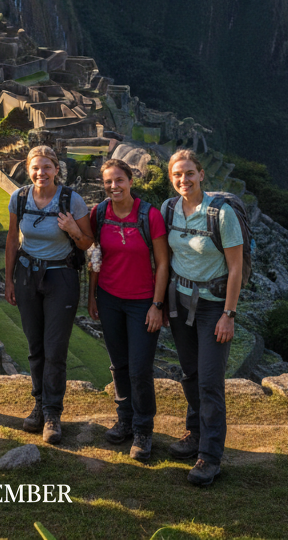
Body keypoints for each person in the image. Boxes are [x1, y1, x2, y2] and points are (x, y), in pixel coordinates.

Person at [161, 148, 244, 486]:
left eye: (189, 173)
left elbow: (236, 268)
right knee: (191, 374)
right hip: (180, 302)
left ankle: (209, 456)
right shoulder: (169, 209)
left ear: (201, 174)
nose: (184, 180)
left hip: (213, 306)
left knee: (210, 381)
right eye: (177, 175)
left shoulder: (220, 214)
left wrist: (229, 313)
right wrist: (164, 304)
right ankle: (194, 433)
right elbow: (167, 259)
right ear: (172, 178)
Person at [4, 144, 93, 444]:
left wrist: (72, 230)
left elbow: (86, 244)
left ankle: (53, 413)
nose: (41, 173)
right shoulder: (19, 198)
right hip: (27, 274)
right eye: (35, 168)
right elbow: (12, 242)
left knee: (55, 348)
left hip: (61, 277)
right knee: (34, 346)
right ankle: (39, 405)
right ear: (28, 170)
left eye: (46, 167)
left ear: (56, 169)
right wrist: (9, 281)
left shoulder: (71, 200)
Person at [87, 158, 170, 461]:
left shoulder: (150, 216)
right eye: (108, 182)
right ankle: (124, 419)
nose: (113, 186)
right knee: (118, 365)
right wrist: (92, 295)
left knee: (139, 369)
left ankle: (143, 429)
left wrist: (157, 305)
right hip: (109, 298)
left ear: (130, 181)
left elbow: (162, 264)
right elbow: (95, 256)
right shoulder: (99, 213)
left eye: (119, 180)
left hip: (142, 302)